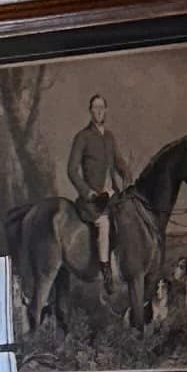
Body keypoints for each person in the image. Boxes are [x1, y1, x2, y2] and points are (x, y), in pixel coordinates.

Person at [66, 93, 128, 267]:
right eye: (95, 108)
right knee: (104, 223)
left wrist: (128, 179)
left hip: (112, 194)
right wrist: (88, 192)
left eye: (101, 108)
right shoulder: (82, 137)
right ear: (90, 111)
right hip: (94, 199)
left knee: (129, 218)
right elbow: (71, 170)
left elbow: (119, 163)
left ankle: (125, 263)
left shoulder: (109, 137)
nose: (99, 111)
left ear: (106, 110)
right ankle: (105, 268)